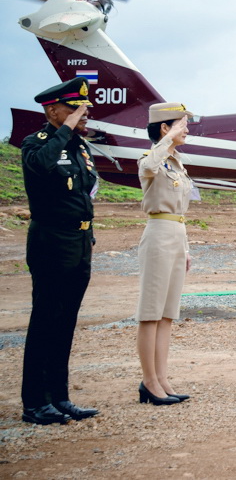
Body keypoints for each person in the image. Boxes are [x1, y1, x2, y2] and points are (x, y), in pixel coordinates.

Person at [19, 77, 101, 424]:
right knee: (45, 320)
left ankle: (60, 397)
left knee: (66, 321)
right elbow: (42, 166)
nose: (84, 114)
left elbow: (84, 193)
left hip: (79, 242)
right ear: (53, 111)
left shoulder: (80, 147)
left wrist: (89, 236)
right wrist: (66, 129)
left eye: (85, 109)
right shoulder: (35, 144)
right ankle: (35, 403)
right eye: (75, 109)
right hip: (51, 242)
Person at [136, 103, 196, 406]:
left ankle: (161, 378)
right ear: (164, 127)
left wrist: (185, 249)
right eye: (182, 125)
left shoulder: (176, 163)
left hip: (175, 234)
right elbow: (148, 168)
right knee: (151, 313)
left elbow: (180, 211)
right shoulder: (152, 158)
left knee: (167, 314)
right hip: (158, 235)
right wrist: (169, 139)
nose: (187, 130)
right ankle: (149, 381)